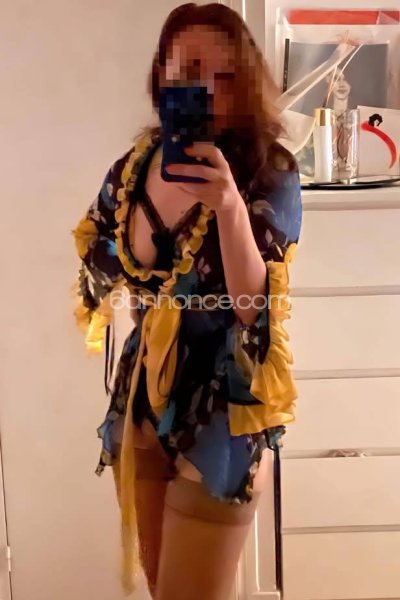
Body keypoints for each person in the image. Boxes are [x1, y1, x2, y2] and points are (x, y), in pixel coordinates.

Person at [71, 3, 302, 599]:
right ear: (163, 73)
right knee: (162, 590)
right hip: (145, 398)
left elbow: (256, 314)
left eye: (226, 74)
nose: (209, 88)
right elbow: (97, 270)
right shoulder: (135, 169)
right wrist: (147, 225)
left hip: (225, 406)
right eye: (192, 70)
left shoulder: (270, 173)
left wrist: (228, 208)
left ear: (246, 82)